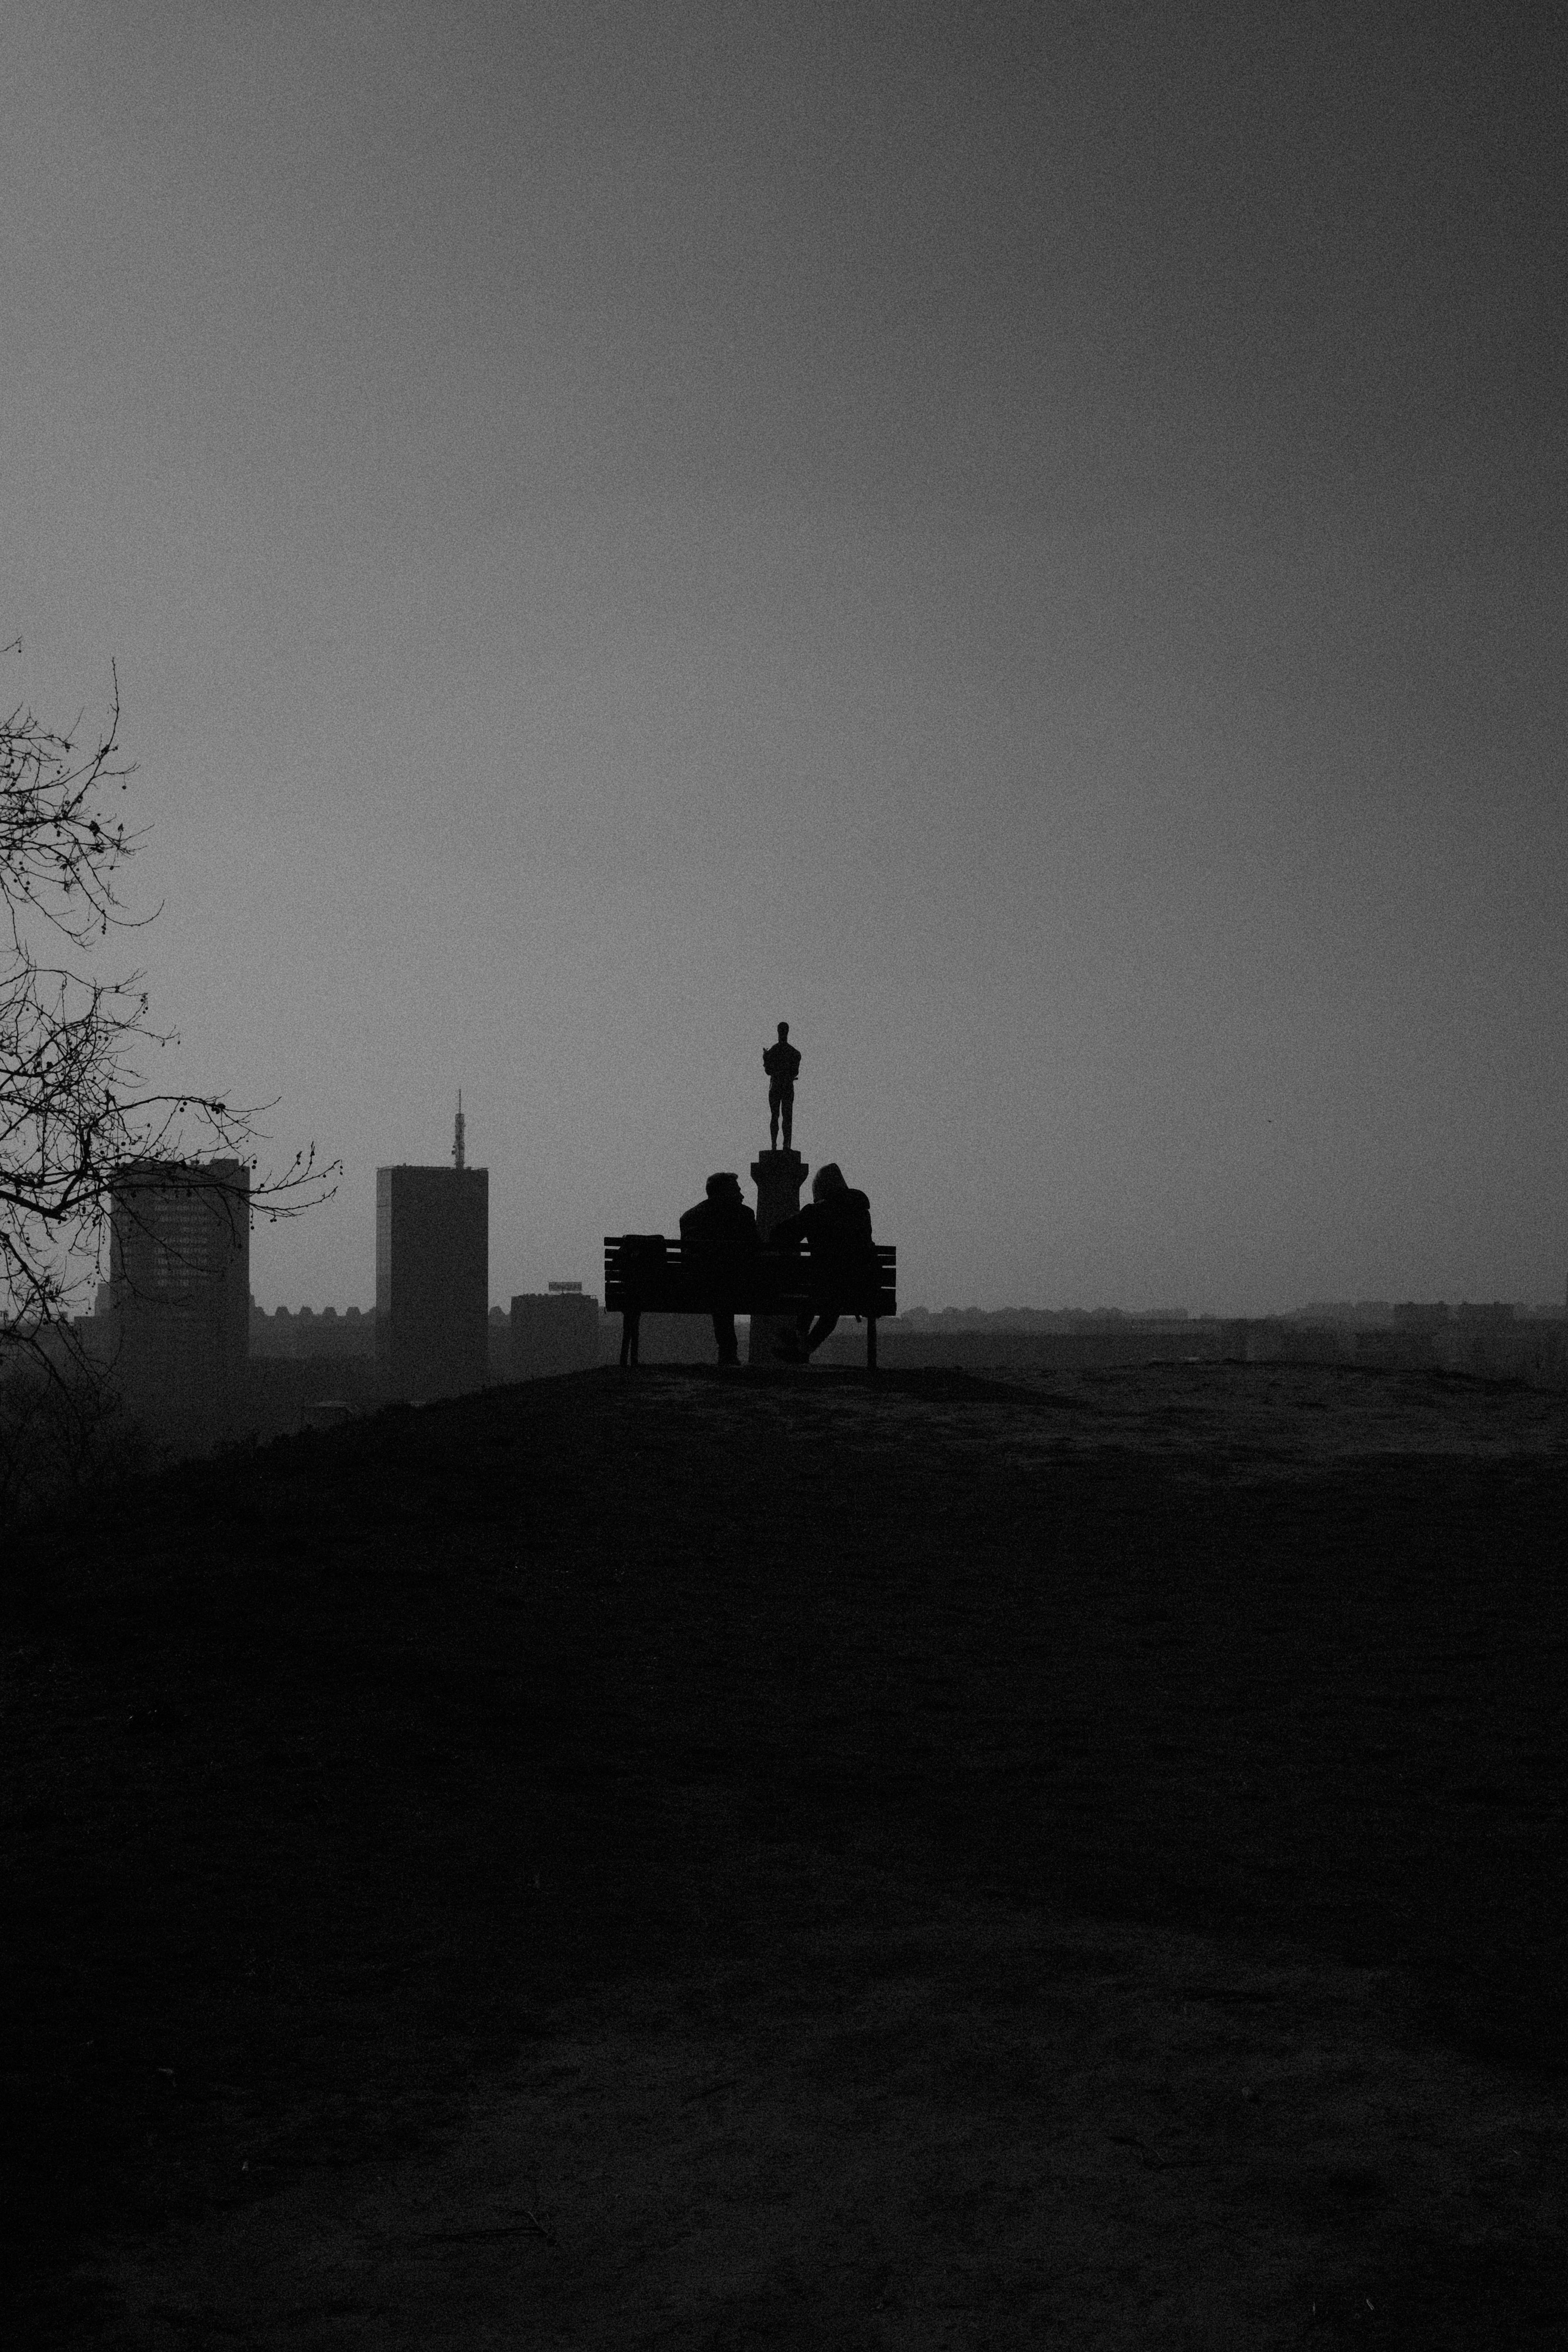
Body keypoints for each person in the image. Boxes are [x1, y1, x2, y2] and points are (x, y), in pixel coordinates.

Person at [767, 1162, 875, 1360]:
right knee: (828, 1303)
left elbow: (780, 1235)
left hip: (822, 1284)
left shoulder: (816, 1213)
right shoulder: (860, 1212)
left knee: (816, 1288)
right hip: (859, 1285)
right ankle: (802, 1346)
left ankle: (800, 1340)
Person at [678, 1172, 758, 1365]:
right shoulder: (744, 1215)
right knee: (724, 1285)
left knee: (719, 1286)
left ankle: (728, 1352)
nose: (742, 1195)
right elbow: (756, 1251)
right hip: (739, 1287)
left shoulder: (690, 1217)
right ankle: (728, 1353)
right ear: (726, 1192)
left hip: (696, 1288)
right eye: (737, 1190)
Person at [763, 1021, 802, 1152]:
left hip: (777, 1085)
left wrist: (767, 1059)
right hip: (785, 1086)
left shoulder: (776, 1051)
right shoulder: (794, 1053)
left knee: (779, 1116)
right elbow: (795, 1072)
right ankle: (783, 1145)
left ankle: (778, 1145)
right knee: (784, 1116)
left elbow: (768, 1071)